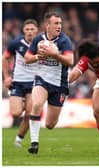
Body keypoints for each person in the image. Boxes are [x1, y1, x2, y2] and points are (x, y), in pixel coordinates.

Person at [24, 11, 73, 154]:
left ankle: (40, 131)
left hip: (59, 84)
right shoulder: (38, 39)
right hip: (42, 79)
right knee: (37, 104)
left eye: (60, 23)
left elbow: (70, 61)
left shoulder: (65, 41)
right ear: (47, 25)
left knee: (50, 124)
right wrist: (39, 56)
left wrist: (54, 54)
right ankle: (34, 143)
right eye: (56, 23)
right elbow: (27, 58)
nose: (59, 26)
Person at [2, 19, 39, 147]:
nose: (29, 32)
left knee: (30, 114)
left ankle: (19, 138)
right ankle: (23, 103)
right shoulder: (17, 43)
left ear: (37, 31)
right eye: (27, 29)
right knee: (15, 113)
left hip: (34, 83)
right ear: (23, 31)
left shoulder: (42, 44)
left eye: (32, 29)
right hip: (18, 82)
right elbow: (5, 58)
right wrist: (6, 77)